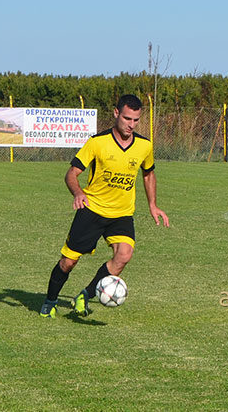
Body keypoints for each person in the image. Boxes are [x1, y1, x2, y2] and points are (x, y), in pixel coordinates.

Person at [39, 95, 170, 318]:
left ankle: (85, 295)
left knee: (124, 255)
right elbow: (71, 174)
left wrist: (153, 205)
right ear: (116, 113)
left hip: (122, 214)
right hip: (92, 210)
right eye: (127, 118)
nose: (131, 124)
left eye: (136, 120)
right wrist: (78, 192)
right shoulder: (97, 143)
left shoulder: (144, 146)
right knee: (68, 262)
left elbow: (148, 173)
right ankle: (50, 301)